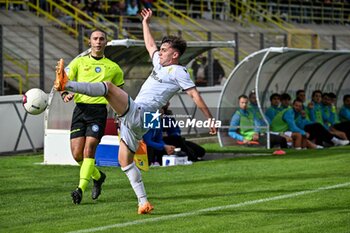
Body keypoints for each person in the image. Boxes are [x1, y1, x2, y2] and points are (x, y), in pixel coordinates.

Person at [54, 8, 216, 214]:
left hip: (141, 112)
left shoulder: (178, 71)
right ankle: (143, 202)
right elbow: (149, 45)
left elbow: (194, 95)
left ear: (175, 55)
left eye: (165, 49)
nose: (160, 51)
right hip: (139, 121)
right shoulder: (160, 63)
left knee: (108, 87)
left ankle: (67, 85)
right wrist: (145, 23)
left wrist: (210, 119)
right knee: (125, 162)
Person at [58, 29, 125, 205]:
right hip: (80, 110)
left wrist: (121, 114)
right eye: (95, 38)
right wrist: (65, 93)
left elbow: (119, 93)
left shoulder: (114, 67)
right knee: (76, 154)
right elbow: (63, 81)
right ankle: (98, 176)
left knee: (89, 151)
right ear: (90, 42)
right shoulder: (78, 62)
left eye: (101, 39)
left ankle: (80, 189)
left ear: (106, 42)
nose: (98, 41)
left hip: (98, 112)